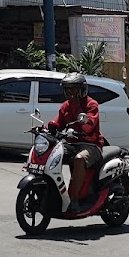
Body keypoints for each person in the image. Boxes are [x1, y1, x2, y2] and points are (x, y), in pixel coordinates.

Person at [48, 72, 106, 212]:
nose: (70, 92)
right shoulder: (65, 106)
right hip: (71, 144)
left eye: (73, 89)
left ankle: (74, 200)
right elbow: (58, 123)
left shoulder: (91, 104)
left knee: (79, 159)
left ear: (82, 89)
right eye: (68, 89)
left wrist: (77, 106)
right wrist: (48, 128)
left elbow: (88, 126)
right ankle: (52, 193)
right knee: (51, 154)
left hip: (91, 145)